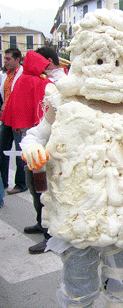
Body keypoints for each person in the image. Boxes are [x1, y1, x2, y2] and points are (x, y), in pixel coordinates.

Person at [20, 9, 123, 307]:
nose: (109, 66)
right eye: (99, 59)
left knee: (120, 285)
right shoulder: (62, 101)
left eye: (117, 59)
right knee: (79, 290)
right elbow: (35, 135)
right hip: (77, 218)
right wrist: (32, 148)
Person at [1, 50, 53, 254]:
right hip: (31, 141)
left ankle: (50, 234)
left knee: (43, 190)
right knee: (35, 187)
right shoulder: (26, 81)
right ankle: (42, 224)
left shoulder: (44, 84)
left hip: (42, 146)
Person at [0, 48, 27, 195]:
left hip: (19, 117)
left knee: (19, 151)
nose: (5, 62)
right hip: (5, 116)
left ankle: (21, 184)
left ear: (17, 60)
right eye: (5, 59)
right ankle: (2, 182)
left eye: (8, 59)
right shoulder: (4, 75)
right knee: (2, 149)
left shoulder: (23, 74)